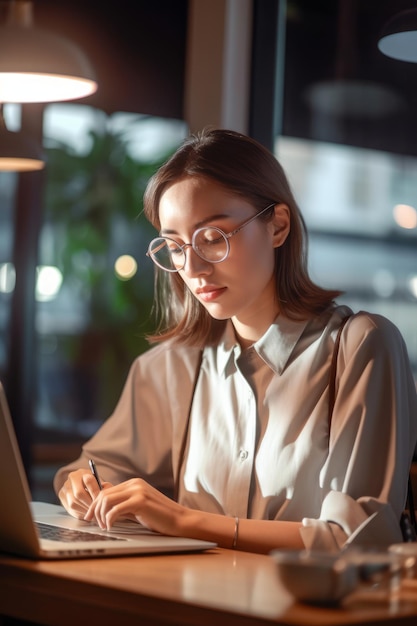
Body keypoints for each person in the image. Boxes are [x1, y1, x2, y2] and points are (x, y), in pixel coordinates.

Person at [54, 127, 417, 554]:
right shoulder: (170, 366)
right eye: (174, 247)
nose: (192, 268)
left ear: (278, 225)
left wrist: (183, 520)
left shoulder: (360, 347)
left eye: (212, 238)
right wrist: (80, 485)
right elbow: (93, 469)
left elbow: (355, 538)